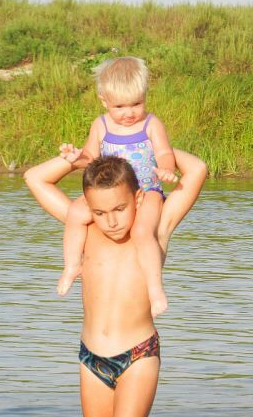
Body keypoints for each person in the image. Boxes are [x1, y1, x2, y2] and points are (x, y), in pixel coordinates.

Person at [24, 151, 206, 417]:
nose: (111, 222)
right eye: (99, 212)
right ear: (89, 207)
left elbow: (197, 170)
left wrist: (147, 148)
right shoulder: (85, 229)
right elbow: (35, 178)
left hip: (138, 355)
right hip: (91, 357)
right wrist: (82, 157)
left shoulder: (153, 231)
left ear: (138, 198)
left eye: (120, 209)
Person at [59, 57, 177, 318]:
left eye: (136, 104)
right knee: (75, 213)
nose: (129, 113)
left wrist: (166, 168)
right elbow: (90, 156)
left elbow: (164, 152)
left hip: (147, 192)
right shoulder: (100, 125)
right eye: (120, 106)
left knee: (142, 232)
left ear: (145, 96)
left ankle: (155, 290)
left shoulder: (151, 124)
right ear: (104, 101)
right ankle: (71, 265)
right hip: (111, 195)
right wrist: (76, 158)